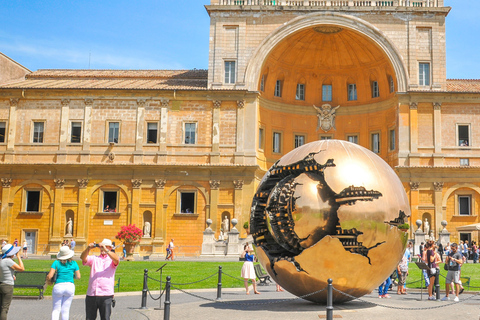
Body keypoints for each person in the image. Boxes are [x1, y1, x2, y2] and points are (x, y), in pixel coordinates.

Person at [80, 239, 119, 320]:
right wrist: (88, 248)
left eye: (105, 246)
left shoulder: (111, 259)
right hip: (92, 294)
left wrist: (106, 250)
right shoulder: (94, 258)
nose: (102, 249)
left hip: (106, 294)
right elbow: (83, 258)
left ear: (110, 248)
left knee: (105, 318)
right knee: (89, 318)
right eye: (101, 247)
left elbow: (116, 260)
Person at [48, 246, 81, 320]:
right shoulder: (74, 263)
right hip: (70, 286)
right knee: (65, 310)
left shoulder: (56, 263)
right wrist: (72, 276)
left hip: (59, 286)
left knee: (56, 309)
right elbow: (78, 276)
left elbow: (50, 275)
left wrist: (48, 279)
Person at [0, 244, 24, 319]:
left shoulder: (2, 260)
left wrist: (11, 275)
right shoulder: (8, 261)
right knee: (5, 308)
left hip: (1, 284)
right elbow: (22, 268)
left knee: (1, 307)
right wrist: (19, 256)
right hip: (8, 286)